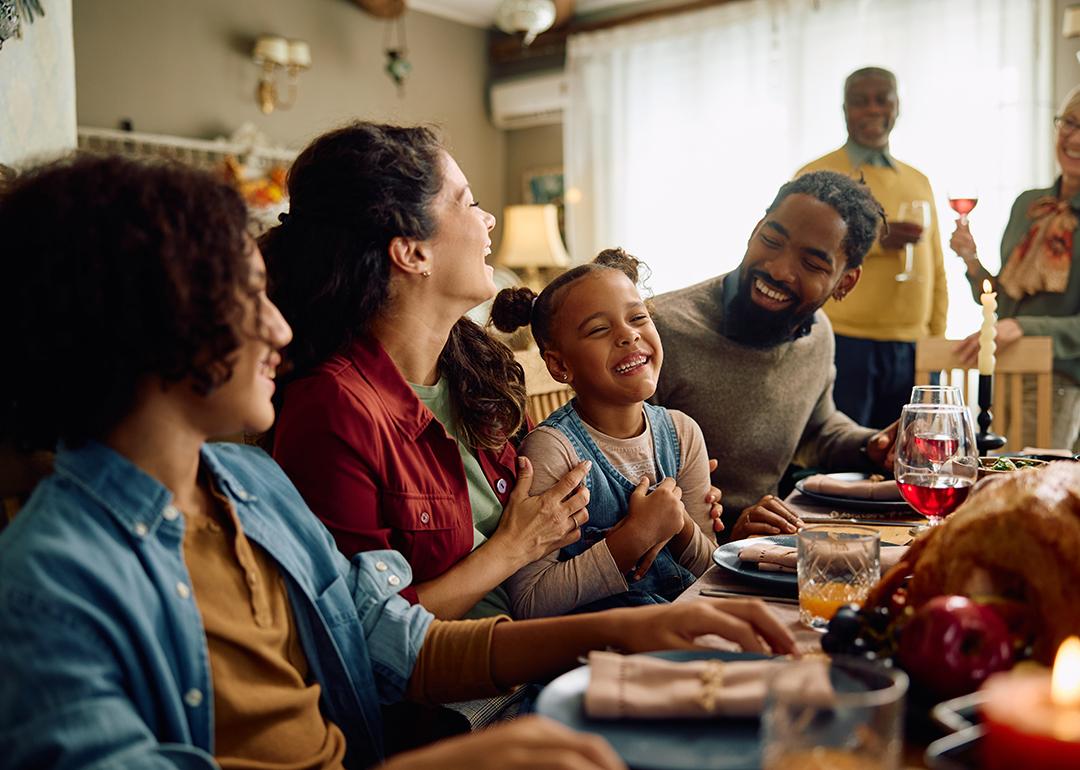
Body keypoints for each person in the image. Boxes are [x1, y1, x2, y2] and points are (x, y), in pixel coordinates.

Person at [0, 155, 797, 770]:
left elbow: (400, 641)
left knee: (768, 718)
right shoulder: (50, 586)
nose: (280, 330)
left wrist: (647, 624)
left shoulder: (248, 487)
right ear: (146, 326)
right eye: (245, 299)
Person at [266, 123, 722, 621]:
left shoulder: (476, 370)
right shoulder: (331, 410)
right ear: (412, 252)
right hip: (476, 692)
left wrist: (670, 512)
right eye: (467, 202)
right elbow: (366, 634)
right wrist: (512, 548)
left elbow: (555, 512)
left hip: (546, 645)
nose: (487, 221)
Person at [652, 171, 897, 539]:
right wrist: (724, 536)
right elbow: (618, 487)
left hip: (761, 546)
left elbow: (817, 429)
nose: (779, 270)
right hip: (679, 562)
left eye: (812, 264)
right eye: (771, 240)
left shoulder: (818, 334)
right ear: (755, 230)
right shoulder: (658, 330)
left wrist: (872, 446)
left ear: (845, 282)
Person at [490, 248, 718, 618]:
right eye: (599, 329)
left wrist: (680, 526)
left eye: (638, 317)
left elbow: (712, 571)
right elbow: (530, 602)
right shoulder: (553, 451)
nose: (628, 335)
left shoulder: (683, 433)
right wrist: (632, 539)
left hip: (684, 630)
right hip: (595, 654)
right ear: (560, 365)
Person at [796, 66, 948, 429]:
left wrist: (934, 341)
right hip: (842, 342)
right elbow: (800, 253)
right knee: (841, 460)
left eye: (883, 99)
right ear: (844, 109)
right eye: (860, 102)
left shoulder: (919, 180)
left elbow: (937, 266)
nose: (872, 110)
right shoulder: (817, 174)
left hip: (914, 347)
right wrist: (876, 240)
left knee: (912, 459)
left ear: (898, 106)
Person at [950, 86, 1080, 450]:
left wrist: (1023, 327)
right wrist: (972, 262)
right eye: (1069, 123)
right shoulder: (1028, 204)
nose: (1074, 138)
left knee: (1028, 490)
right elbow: (1003, 305)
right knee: (989, 482)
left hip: (1059, 383)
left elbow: (1015, 322)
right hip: (1003, 372)